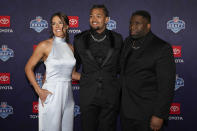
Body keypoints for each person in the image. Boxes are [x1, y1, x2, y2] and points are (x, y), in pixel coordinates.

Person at [120, 10, 176, 131]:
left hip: (147, 114)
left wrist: (159, 115)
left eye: (137, 23)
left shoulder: (161, 48)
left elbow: (166, 85)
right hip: (126, 112)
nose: (132, 26)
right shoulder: (127, 42)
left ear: (148, 26)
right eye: (131, 23)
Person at [25, 12, 80, 131]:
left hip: (68, 94)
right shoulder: (45, 45)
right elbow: (28, 68)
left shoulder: (71, 48)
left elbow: (72, 74)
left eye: (60, 23)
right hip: (51, 93)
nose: (57, 26)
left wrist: (96, 76)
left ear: (67, 26)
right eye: (54, 23)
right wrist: (38, 90)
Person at [73, 4, 123, 131]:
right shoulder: (79, 39)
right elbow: (72, 65)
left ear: (106, 19)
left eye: (98, 16)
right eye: (91, 16)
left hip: (110, 95)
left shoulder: (117, 39)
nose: (94, 19)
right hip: (88, 95)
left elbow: (121, 67)